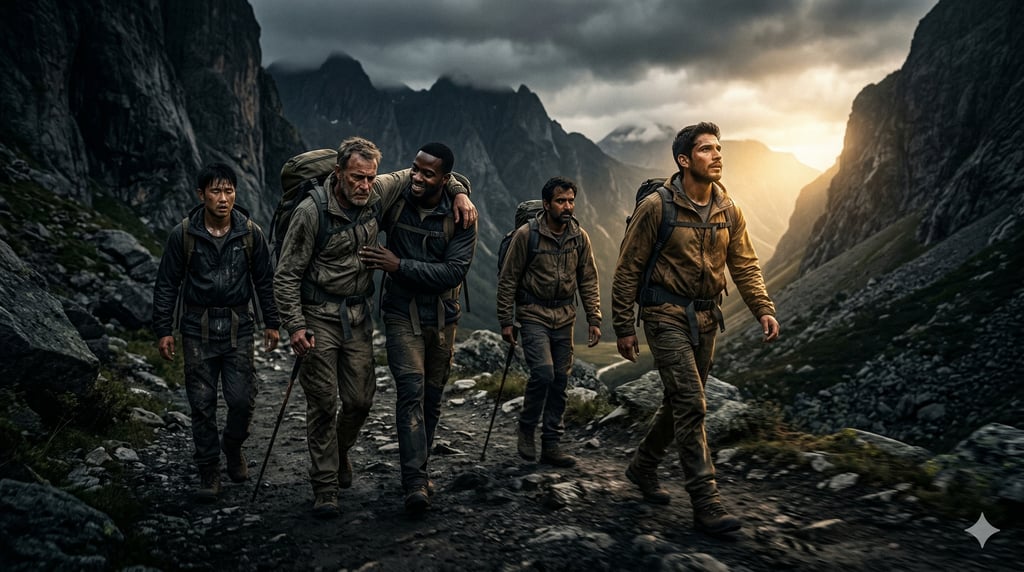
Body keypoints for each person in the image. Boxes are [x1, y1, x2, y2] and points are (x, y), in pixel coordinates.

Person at [274, 137, 476, 518]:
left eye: (369, 178)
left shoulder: (381, 190)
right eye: (356, 178)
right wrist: (294, 326)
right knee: (322, 401)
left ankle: (340, 450)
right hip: (318, 314)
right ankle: (325, 487)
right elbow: (286, 275)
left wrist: (461, 192)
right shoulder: (310, 213)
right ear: (338, 173)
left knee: (360, 401)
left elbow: (432, 175)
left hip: (357, 314)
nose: (364, 186)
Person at [612, 122, 780, 535]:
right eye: (707, 150)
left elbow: (744, 264)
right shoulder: (657, 208)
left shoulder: (729, 209)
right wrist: (623, 327)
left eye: (719, 148)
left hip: (708, 317)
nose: (718, 155)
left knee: (682, 402)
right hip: (664, 314)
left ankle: (642, 466)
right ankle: (706, 501)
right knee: (692, 403)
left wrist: (763, 308)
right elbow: (627, 269)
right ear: (684, 161)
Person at [359, 142, 477, 515]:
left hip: (443, 317)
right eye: (415, 169)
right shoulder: (396, 201)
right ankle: (415, 481)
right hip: (400, 313)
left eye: (428, 174)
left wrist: (399, 266)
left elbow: (453, 273)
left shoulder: (462, 217)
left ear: (445, 179)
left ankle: (419, 470)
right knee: (410, 390)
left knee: (432, 397)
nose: (417, 177)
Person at [153, 162, 281, 502]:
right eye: (215, 191)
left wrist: (273, 322)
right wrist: (164, 330)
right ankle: (209, 470)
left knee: (242, 398)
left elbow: (265, 281)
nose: (223, 199)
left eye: (228, 191)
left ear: (235, 193)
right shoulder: (184, 234)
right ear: (201, 194)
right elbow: (167, 284)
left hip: (239, 326)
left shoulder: (250, 233)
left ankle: (233, 445)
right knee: (202, 402)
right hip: (196, 328)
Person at [496, 176, 601, 468]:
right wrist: (507, 319)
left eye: (570, 201)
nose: (567, 207)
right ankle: (527, 428)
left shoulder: (579, 236)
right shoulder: (526, 235)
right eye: (561, 201)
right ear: (546, 204)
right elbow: (508, 279)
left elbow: (588, 279)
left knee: (560, 381)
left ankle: (552, 443)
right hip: (533, 314)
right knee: (543, 373)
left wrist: (594, 317)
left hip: (565, 316)